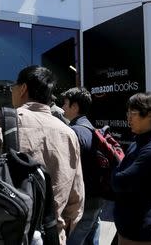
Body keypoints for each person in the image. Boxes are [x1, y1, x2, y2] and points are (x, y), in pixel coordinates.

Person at [0, 65, 84, 245]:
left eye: (14, 87)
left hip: (1, 235)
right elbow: (76, 201)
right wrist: (57, 229)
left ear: (23, 89)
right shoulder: (68, 134)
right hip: (50, 236)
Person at [112, 92, 151, 245]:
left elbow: (120, 181)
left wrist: (117, 167)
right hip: (128, 229)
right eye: (128, 113)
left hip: (143, 235)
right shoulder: (137, 143)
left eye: (134, 113)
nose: (128, 118)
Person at [61, 87, 104, 245]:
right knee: (92, 237)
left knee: (74, 240)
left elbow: (68, 172)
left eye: (65, 103)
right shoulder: (91, 129)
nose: (63, 107)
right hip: (97, 196)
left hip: (85, 198)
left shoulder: (74, 133)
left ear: (75, 107)